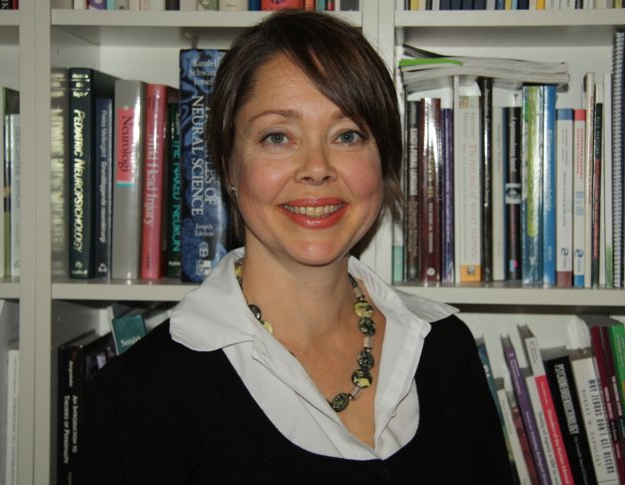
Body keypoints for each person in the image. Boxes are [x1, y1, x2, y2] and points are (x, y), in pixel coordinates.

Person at [81, 9, 511, 483]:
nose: (317, 168)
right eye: (278, 137)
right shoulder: (139, 396)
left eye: (347, 135)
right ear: (228, 163)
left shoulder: (447, 350)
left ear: (384, 160)